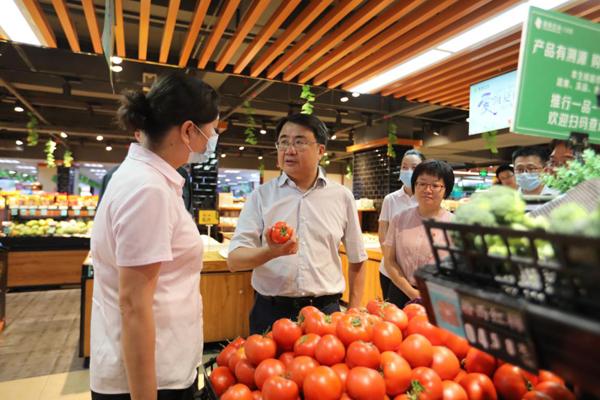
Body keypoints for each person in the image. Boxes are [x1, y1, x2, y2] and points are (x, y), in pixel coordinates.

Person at [90, 73, 220, 400]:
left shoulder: (153, 180)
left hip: (165, 367)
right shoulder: (147, 189)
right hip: (151, 381)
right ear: (189, 130)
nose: (213, 139)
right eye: (212, 130)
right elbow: (133, 305)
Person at [227, 113, 367, 334]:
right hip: (271, 312)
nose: (289, 150)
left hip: (326, 312)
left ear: (320, 150)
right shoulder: (261, 196)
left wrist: (355, 309)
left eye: (299, 142)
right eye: (283, 142)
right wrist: (272, 252)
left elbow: (357, 258)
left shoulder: (342, 196)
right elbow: (235, 260)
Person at [383, 160, 454, 306]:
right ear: (414, 186)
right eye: (421, 184)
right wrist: (411, 292)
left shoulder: (455, 225)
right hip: (400, 291)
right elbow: (389, 260)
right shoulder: (399, 219)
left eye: (435, 185)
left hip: (438, 296)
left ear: (446, 190)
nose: (427, 190)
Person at [377, 149, 425, 306]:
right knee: (393, 317)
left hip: (417, 274)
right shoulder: (390, 200)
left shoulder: (426, 200)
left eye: (414, 166)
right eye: (404, 167)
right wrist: (394, 266)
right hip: (390, 272)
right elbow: (383, 234)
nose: (408, 171)